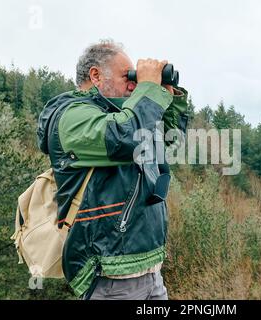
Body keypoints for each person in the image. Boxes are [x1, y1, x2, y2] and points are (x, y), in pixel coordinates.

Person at [37, 39, 189, 300]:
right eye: (127, 76)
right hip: (110, 275)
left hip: (150, 269)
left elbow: (170, 137)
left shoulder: (125, 113)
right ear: (95, 75)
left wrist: (166, 95)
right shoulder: (72, 116)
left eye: (135, 78)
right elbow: (124, 138)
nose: (133, 84)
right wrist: (148, 89)